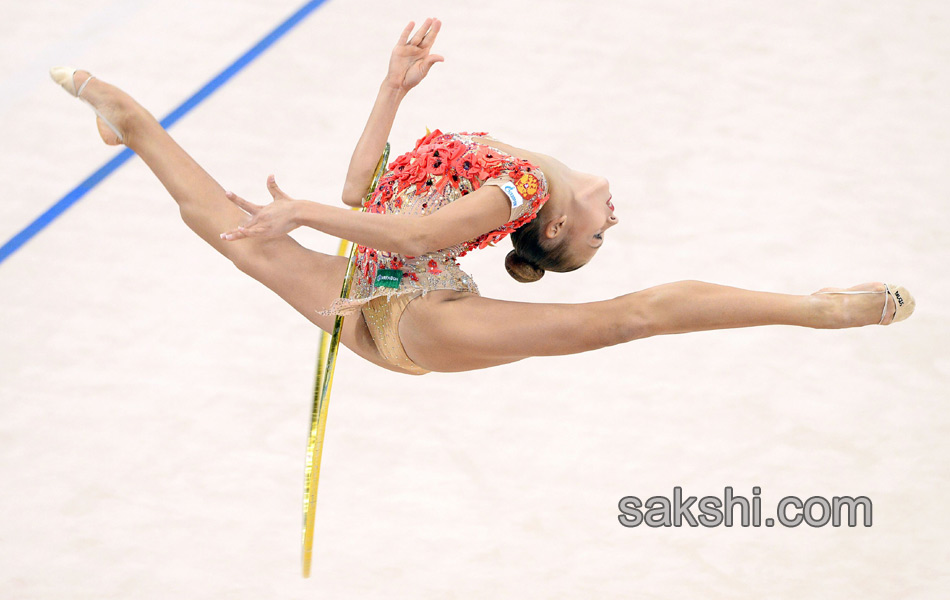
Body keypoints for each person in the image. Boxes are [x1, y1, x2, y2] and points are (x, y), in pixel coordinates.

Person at [50, 18, 914, 376]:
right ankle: (131, 119)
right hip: (367, 298)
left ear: (555, 224)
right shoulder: (504, 159)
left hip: (413, 312)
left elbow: (408, 236)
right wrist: (392, 91)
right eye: (602, 235)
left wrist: (308, 213)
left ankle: (817, 309)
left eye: (597, 238)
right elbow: (368, 186)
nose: (614, 219)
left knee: (626, 317)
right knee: (236, 232)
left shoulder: (519, 187)